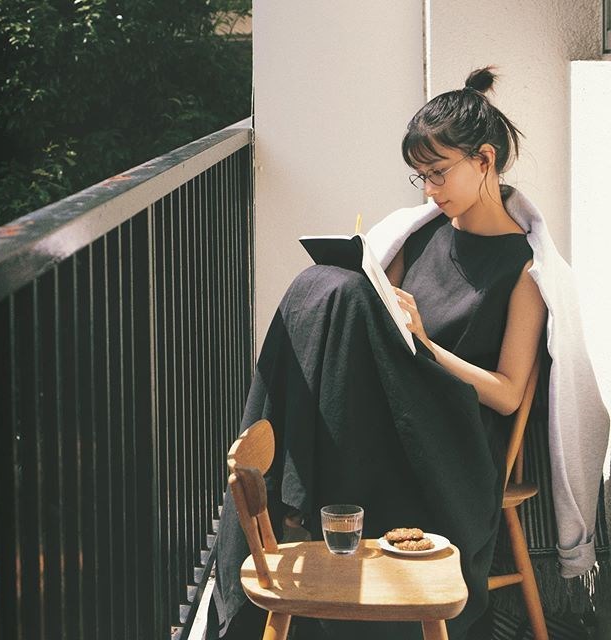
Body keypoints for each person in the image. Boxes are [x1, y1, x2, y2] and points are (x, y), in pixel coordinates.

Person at [206, 67, 609, 640]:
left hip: (453, 438)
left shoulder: (523, 269)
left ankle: (294, 501)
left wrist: (424, 343)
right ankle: (296, 501)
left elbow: (506, 394)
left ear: (485, 160)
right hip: (396, 414)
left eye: (439, 173)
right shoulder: (421, 236)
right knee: (324, 285)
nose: (429, 190)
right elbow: (372, 334)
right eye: (421, 176)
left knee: (338, 292)